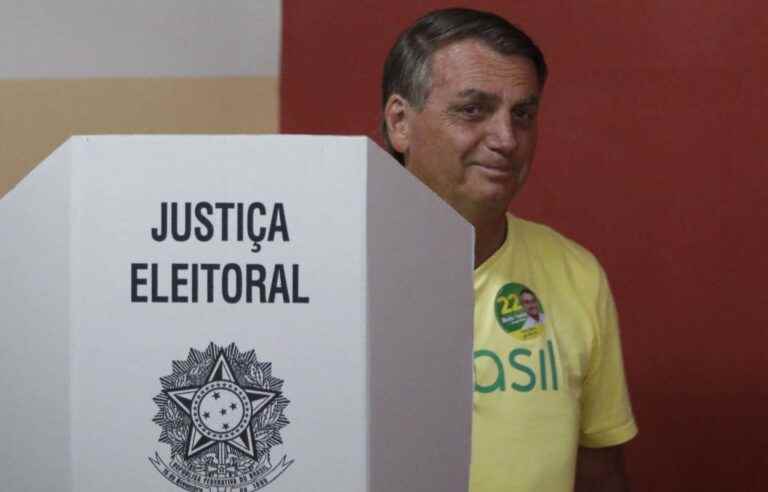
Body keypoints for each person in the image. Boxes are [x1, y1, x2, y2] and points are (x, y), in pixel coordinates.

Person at [381, 8, 637, 492]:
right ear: (400, 122)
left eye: (522, 114)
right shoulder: (334, 274)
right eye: (473, 109)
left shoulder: (576, 273)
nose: (506, 139)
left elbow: (600, 473)